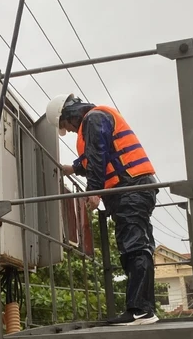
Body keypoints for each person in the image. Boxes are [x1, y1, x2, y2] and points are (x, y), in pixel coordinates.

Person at [46, 94, 159, 326]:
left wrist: (94, 191)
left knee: (134, 247)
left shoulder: (93, 119)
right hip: (136, 187)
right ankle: (144, 309)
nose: (69, 130)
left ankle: (140, 310)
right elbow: (95, 156)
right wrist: (73, 168)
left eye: (66, 126)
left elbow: (98, 156)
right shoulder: (98, 118)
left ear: (68, 115)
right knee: (140, 246)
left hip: (129, 189)